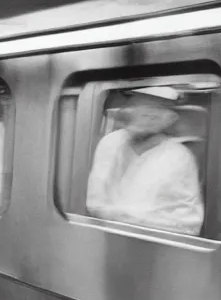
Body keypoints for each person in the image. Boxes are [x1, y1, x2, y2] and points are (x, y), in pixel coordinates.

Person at [86, 86, 204, 235]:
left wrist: (125, 219)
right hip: (102, 240)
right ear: (129, 109)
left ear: (170, 118)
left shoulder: (179, 158)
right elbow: (95, 203)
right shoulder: (110, 143)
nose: (148, 115)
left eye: (158, 109)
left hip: (153, 250)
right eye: (141, 104)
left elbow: (188, 226)